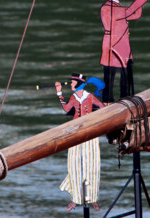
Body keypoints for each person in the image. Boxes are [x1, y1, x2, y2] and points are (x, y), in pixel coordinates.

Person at [55, 73, 105, 212]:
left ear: (78, 84)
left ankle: (92, 198)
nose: (71, 85)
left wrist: (97, 120)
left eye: (72, 83)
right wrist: (59, 93)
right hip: (76, 132)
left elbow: (101, 106)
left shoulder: (89, 97)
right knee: (74, 164)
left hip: (90, 131)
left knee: (92, 165)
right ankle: (75, 199)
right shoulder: (74, 97)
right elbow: (66, 108)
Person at [100, 0, 150, 103]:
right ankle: (107, 101)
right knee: (110, 75)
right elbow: (127, 12)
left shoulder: (118, 8)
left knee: (126, 73)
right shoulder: (107, 8)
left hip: (122, 44)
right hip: (113, 44)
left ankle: (125, 98)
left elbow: (135, 15)